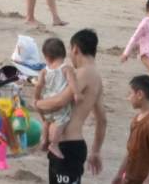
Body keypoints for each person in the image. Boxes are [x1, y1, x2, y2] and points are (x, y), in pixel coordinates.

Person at [35, 29, 107, 184]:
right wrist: (95, 151)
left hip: (67, 147)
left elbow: (60, 101)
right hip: (69, 146)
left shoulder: (82, 73)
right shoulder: (96, 77)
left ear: (75, 49)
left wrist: (37, 103)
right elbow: (102, 120)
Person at [112, 76, 149, 184]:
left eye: (130, 93)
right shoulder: (136, 119)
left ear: (140, 94)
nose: (128, 98)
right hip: (129, 178)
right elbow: (130, 151)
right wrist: (119, 174)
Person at [34, 37, 77, 160]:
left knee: (46, 122)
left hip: (45, 103)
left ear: (46, 57)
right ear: (64, 54)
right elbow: (72, 83)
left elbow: (38, 86)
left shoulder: (44, 71)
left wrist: (36, 98)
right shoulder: (66, 69)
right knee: (62, 121)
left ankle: (44, 140)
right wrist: (77, 94)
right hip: (58, 106)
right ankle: (54, 144)